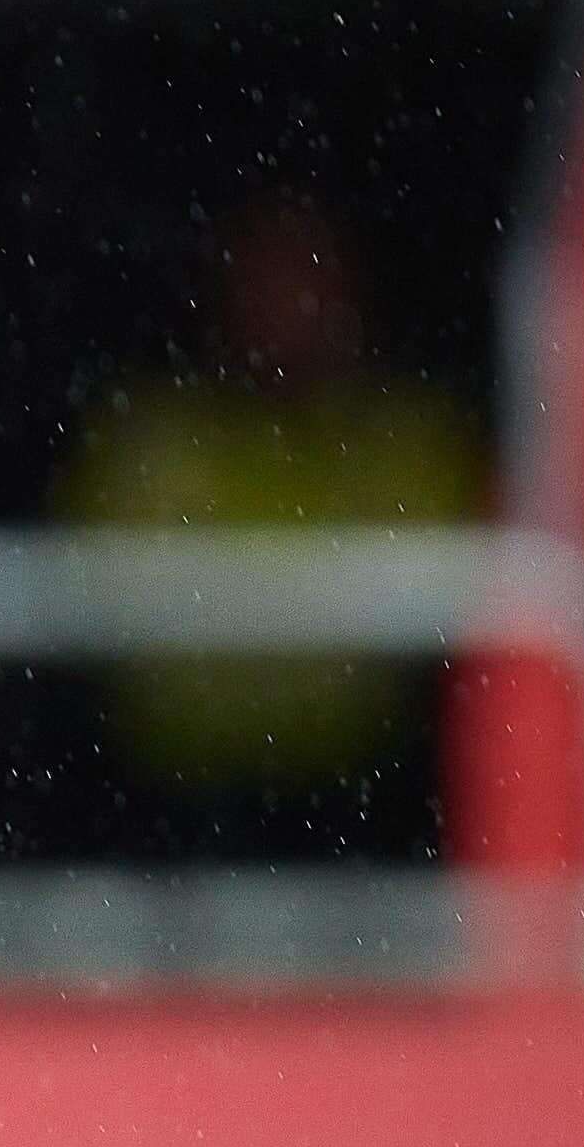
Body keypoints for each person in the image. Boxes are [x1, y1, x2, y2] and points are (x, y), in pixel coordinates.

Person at [58, 193, 482, 858]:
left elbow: (420, 650)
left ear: (352, 295)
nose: (289, 308)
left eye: (309, 280)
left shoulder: (413, 442)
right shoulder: (151, 445)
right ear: (219, 293)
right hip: (180, 803)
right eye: (267, 280)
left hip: (373, 797)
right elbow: (122, 633)